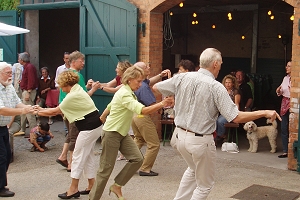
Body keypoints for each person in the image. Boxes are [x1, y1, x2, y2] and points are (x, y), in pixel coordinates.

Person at [153, 48, 281, 200]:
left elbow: (156, 88)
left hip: (178, 137)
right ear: (215, 64)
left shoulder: (182, 77)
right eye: (220, 63)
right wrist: (264, 112)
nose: (221, 66)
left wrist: (169, 100)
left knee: (193, 170)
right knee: (205, 185)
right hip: (199, 141)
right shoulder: (216, 87)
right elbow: (236, 117)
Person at [89, 65, 174, 200]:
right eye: (138, 81)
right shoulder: (125, 93)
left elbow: (110, 105)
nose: (140, 84)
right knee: (105, 170)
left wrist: (102, 117)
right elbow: (142, 110)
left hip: (121, 133)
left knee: (137, 159)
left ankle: (117, 186)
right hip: (112, 133)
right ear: (129, 79)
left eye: (141, 81)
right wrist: (162, 103)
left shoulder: (127, 90)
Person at [35, 70, 102, 199]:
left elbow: (55, 111)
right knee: (87, 156)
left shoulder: (72, 95)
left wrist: (38, 111)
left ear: (66, 84)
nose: (60, 88)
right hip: (94, 126)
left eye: (61, 85)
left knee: (77, 156)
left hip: (89, 128)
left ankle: (73, 189)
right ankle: (91, 184)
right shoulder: (77, 89)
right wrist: (41, 110)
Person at [56, 51, 99, 172]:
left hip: (65, 107)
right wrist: (93, 89)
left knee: (70, 134)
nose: (83, 63)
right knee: (74, 134)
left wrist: (87, 86)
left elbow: (77, 92)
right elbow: (84, 96)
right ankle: (71, 163)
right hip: (73, 110)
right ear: (73, 62)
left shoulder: (67, 74)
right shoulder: (77, 76)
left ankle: (63, 157)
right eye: (81, 61)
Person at [0, 61, 35, 197]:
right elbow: (2, 110)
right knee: (2, 157)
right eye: (8, 73)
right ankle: (1, 187)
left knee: (8, 155)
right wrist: (23, 111)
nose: (11, 75)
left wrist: (30, 109)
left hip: (3, 127)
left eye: (11, 73)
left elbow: (17, 103)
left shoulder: (9, 87)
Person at [132, 62, 171, 176]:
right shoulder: (144, 87)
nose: (149, 68)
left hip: (134, 116)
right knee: (154, 144)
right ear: (141, 71)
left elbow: (150, 81)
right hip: (142, 117)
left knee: (139, 139)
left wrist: (160, 75)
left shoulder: (139, 82)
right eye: (146, 67)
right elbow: (152, 104)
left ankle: (131, 164)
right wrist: (163, 105)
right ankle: (145, 169)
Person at [98, 60, 133, 161]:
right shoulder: (118, 77)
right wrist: (97, 83)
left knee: (129, 131)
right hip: (118, 104)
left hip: (126, 105)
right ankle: (123, 153)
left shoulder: (128, 80)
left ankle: (127, 153)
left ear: (123, 69)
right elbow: (108, 84)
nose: (116, 69)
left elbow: (114, 90)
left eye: (117, 67)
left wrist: (100, 87)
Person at [216, 74, 241, 139]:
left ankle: (220, 135)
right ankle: (216, 137)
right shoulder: (223, 91)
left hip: (231, 112)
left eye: (229, 82)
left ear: (233, 83)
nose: (227, 84)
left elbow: (237, 104)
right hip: (223, 112)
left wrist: (236, 114)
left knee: (220, 121)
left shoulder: (236, 92)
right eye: (226, 82)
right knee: (214, 121)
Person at [18, 52, 38, 132]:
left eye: (19, 59)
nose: (18, 60)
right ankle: (21, 129)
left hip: (28, 91)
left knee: (29, 111)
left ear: (22, 60)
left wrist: (28, 92)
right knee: (24, 111)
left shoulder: (29, 67)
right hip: (26, 90)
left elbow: (31, 80)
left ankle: (34, 130)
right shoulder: (27, 67)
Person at [276, 61, 291, 158]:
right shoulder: (285, 78)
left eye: (289, 66)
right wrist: (278, 90)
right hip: (285, 103)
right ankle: (285, 151)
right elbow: (281, 90)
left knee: (293, 128)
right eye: (287, 66)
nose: (286, 67)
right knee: (284, 127)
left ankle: (293, 151)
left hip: (294, 103)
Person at [55, 52, 70, 134]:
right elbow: (57, 80)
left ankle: (69, 129)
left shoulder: (73, 69)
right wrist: (59, 88)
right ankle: (66, 129)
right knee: (63, 111)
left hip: (71, 93)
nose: (68, 60)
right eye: (66, 58)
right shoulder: (60, 69)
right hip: (63, 92)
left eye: (69, 58)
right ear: (64, 59)